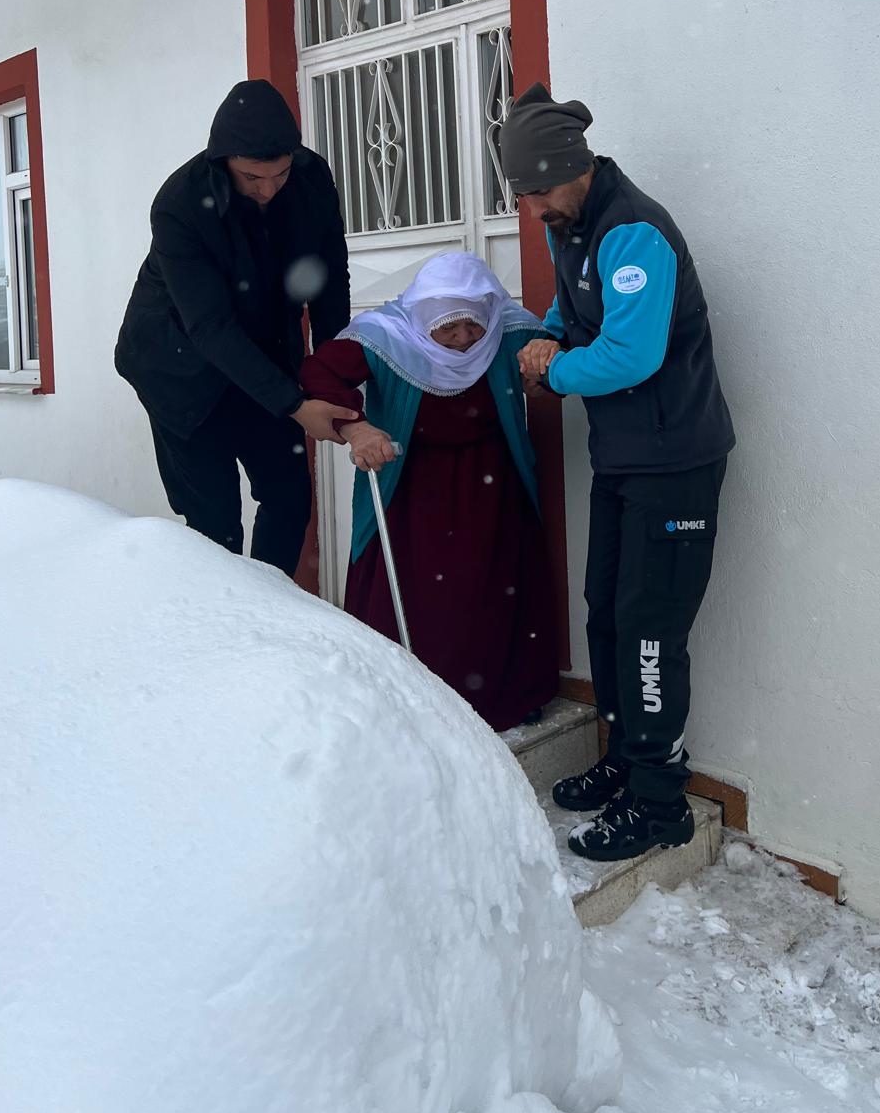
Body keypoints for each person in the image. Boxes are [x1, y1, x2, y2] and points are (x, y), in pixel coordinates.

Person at [502, 82, 735, 862]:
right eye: (523, 194)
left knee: (649, 632)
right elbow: (575, 313)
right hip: (626, 456)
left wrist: (554, 370)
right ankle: (625, 759)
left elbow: (633, 354)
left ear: (572, 168)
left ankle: (660, 800)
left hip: (676, 462)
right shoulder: (568, 224)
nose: (532, 208)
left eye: (538, 191)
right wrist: (548, 334)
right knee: (606, 611)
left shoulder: (634, 232)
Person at [298, 251, 559, 732]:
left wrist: (544, 370)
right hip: (412, 486)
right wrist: (358, 428)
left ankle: (505, 697)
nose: (464, 338)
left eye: (472, 324)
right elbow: (319, 374)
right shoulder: (386, 336)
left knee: (495, 591)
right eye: (447, 328)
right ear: (423, 318)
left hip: (493, 482)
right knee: (420, 600)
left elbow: (551, 363)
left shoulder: (507, 328)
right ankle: (409, 707)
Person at [116, 80, 355, 576]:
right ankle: (221, 621)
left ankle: (270, 612)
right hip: (178, 369)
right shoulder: (180, 204)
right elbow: (209, 325)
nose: (268, 190)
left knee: (289, 499)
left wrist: (335, 374)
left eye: (280, 174)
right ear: (223, 161)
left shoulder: (311, 180)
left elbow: (329, 281)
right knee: (215, 523)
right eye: (252, 178)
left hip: (262, 355)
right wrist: (295, 405)